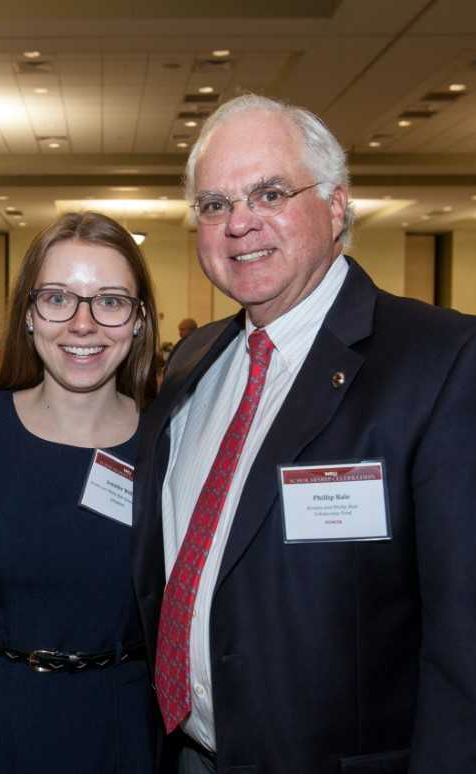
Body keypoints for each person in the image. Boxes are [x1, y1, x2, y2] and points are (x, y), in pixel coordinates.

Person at [132, 93, 476, 774]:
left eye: (269, 192)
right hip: (185, 753)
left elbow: (464, 643)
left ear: (337, 206)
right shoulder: (196, 360)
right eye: (215, 204)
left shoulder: (441, 361)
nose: (239, 224)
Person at [0, 211, 160, 774]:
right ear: (29, 316)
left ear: (138, 321)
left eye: (109, 300)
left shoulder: (175, 438)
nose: (83, 324)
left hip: (124, 721)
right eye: (58, 298)